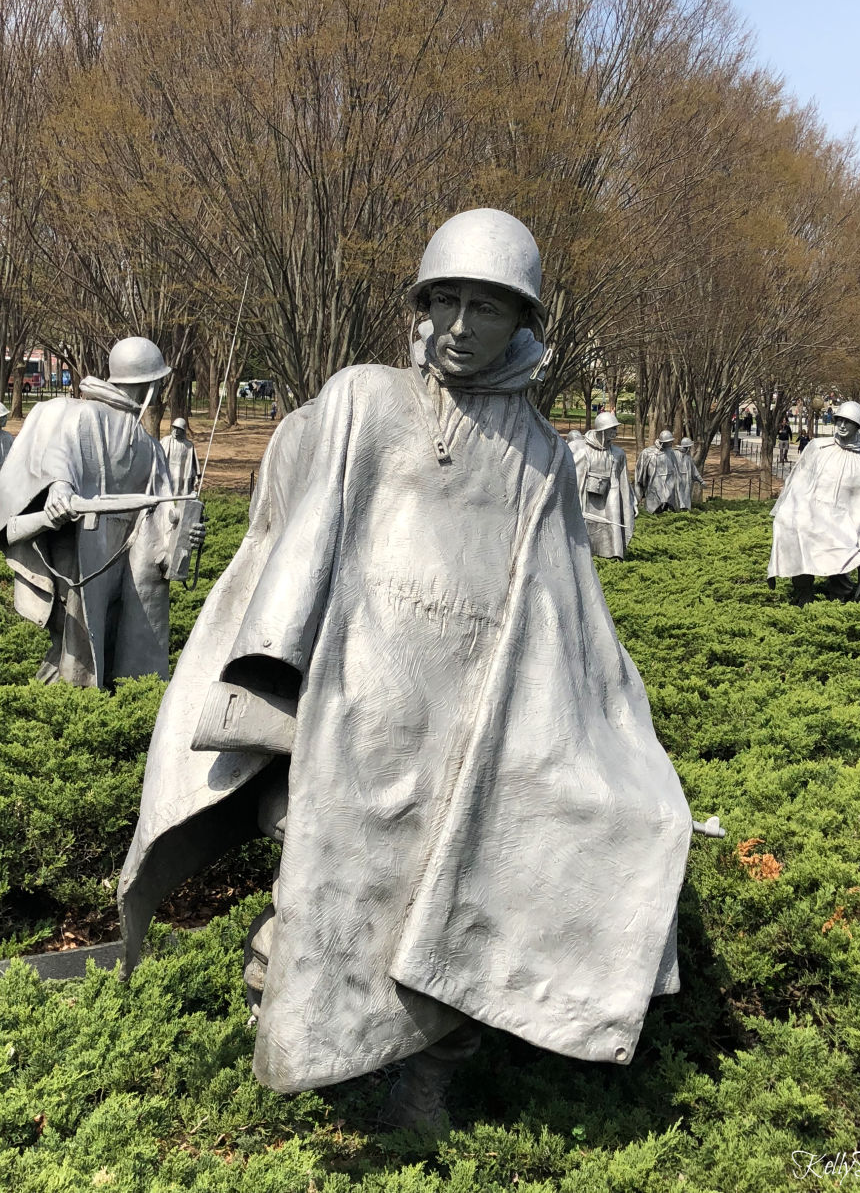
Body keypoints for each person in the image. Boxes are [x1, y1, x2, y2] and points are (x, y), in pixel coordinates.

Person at [118, 208, 692, 1128]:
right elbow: (298, 548)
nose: (462, 327)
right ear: (422, 306)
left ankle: (428, 1076)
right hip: (358, 708)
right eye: (446, 301)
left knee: (457, 902)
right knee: (323, 894)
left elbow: (569, 609)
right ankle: (307, 1067)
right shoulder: (365, 399)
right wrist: (275, 697)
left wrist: (621, 740)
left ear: (524, 322)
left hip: (471, 724)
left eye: (487, 308)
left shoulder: (543, 453)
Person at [0, 338, 204, 688]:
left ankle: (114, 703)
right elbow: (61, 454)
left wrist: (185, 537)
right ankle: (64, 710)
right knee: (76, 646)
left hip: (129, 559)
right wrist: (60, 488)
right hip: (83, 549)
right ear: (147, 384)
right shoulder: (81, 414)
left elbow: (166, 514)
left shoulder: (147, 444)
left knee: (114, 639)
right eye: (157, 383)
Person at [767, 399, 860, 605]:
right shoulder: (818, 448)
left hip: (842, 525)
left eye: (848, 422)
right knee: (798, 537)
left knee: (842, 554)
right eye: (839, 420)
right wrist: (792, 512)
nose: (842, 426)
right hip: (811, 516)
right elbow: (798, 482)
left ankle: (840, 598)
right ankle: (803, 594)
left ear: (858, 426)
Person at [568, 410, 637, 557]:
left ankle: (613, 554)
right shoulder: (581, 449)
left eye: (615, 428)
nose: (615, 431)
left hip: (610, 490)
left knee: (613, 521)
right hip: (585, 494)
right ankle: (582, 553)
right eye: (612, 428)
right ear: (602, 430)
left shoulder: (618, 453)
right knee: (584, 524)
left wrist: (632, 501)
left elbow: (624, 481)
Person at [634, 429, 682, 513]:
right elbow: (640, 474)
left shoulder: (671, 452)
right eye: (668, 442)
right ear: (662, 442)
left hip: (669, 489)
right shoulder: (648, 453)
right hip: (654, 488)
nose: (670, 444)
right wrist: (639, 492)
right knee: (654, 510)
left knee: (667, 511)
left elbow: (676, 470)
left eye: (671, 442)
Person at [161, 417, 200, 496]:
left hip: (181, 470)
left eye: (178, 428)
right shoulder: (166, 440)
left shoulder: (188, 445)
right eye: (174, 428)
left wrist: (195, 475)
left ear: (183, 430)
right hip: (168, 469)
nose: (175, 430)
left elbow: (192, 463)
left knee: (179, 488)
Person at [675, 437, 705, 509]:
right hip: (677, 482)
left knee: (685, 500)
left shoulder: (688, 458)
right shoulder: (675, 455)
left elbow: (694, 471)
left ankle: (684, 511)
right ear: (688, 448)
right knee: (678, 500)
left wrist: (701, 481)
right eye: (689, 447)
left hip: (686, 483)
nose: (690, 449)